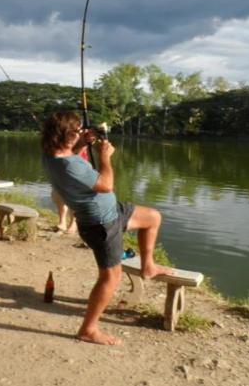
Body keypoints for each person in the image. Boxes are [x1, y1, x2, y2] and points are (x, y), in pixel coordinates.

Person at [41, 110, 173, 346]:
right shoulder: (70, 165)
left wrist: (82, 142)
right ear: (67, 134)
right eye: (78, 130)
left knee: (152, 217)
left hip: (112, 213)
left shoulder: (51, 154)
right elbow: (106, 185)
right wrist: (105, 157)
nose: (81, 132)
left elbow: (70, 152)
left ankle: (148, 266)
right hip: (100, 223)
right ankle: (88, 329)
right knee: (111, 278)